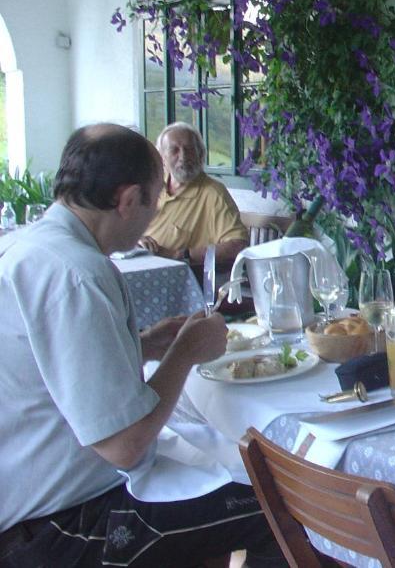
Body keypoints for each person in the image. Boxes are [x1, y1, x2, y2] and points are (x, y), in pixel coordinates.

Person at [0, 124, 285, 567]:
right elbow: (125, 446)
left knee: (222, 479)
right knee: (283, 505)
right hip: (64, 527)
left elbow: (56, 362)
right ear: (128, 200)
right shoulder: (78, 274)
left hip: (31, 498)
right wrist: (184, 354)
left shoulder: (30, 246)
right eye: (153, 201)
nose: (154, 215)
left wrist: (145, 345)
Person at [139, 122, 248, 267]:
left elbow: (237, 246)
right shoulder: (151, 186)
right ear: (162, 158)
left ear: (201, 155)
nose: (183, 156)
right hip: (141, 265)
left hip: (182, 278)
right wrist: (138, 240)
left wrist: (180, 255)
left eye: (190, 149)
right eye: (174, 150)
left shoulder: (213, 193)